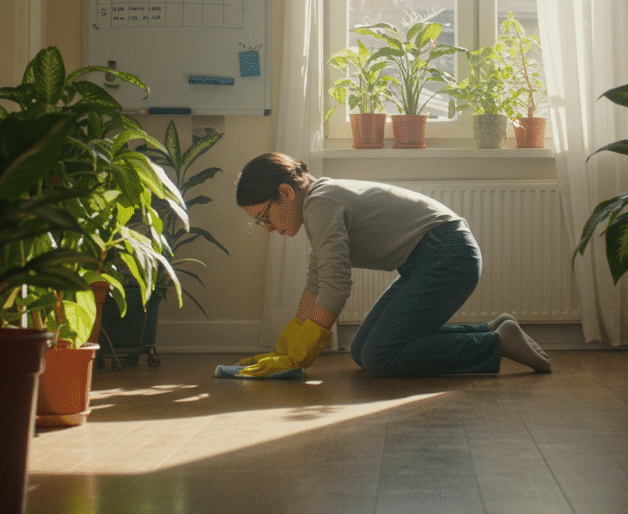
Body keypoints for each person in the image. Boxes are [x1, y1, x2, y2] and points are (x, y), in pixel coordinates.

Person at [231, 152, 553, 378]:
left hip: (447, 254)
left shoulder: (320, 203)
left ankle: (495, 344)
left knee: (380, 357)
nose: (268, 228)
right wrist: (290, 342)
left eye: (264, 217)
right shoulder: (318, 203)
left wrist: (307, 345)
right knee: (363, 352)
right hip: (438, 254)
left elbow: (336, 284)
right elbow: (317, 280)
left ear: (286, 192)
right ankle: (491, 330)